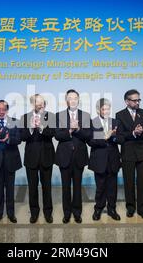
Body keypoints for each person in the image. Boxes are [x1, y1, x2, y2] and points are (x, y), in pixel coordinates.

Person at [55, 89, 91, 224]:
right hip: (64, 156)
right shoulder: (59, 115)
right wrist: (70, 130)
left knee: (77, 186)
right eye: (70, 98)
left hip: (79, 157)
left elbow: (88, 136)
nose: (73, 100)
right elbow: (57, 135)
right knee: (65, 187)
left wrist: (78, 129)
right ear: (66, 100)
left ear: (78, 99)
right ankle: (66, 213)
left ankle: (77, 212)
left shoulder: (85, 116)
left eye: (75, 98)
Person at [115, 89, 143, 220]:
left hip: (142, 152)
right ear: (127, 101)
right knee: (128, 182)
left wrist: (141, 132)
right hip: (127, 152)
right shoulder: (119, 115)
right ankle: (130, 208)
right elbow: (120, 135)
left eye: (139, 100)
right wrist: (133, 133)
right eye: (135, 100)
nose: (137, 102)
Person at [20, 94, 55, 224]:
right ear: (32, 104)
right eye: (37, 103)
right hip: (31, 158)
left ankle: (48, 213)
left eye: (42, 103)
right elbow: (22, 136)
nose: (40, 105)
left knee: (47, 187)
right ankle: (34, 213)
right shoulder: (25, 117)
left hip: (47, 156)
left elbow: (53, 133)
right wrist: (30, 128)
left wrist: (41, 127)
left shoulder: (50, 116)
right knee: (32, 187)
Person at [88, 98, 121, 221]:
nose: (106, 111)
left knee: (113, 186)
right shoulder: (93, 122)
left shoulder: (115, 121)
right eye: (103, 109)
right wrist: (104, 137)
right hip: (99, 160)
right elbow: (90, 141)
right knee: (100, 186)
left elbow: (121, 139)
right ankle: (98, 208)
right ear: (98, 110)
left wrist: (113, 137)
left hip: (113, 159)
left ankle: (112, 208)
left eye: (108, 108)